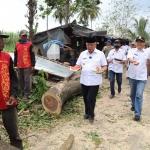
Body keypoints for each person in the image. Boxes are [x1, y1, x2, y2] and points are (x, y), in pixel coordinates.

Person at [76, 37, 107, 123]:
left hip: (95, 80)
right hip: (84, 80)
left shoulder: (100, 54)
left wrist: (102, 70)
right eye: (88, 45)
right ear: (86, 44)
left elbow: (105, 66)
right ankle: (87, 112)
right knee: (85, 98)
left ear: (95, 44)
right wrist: (74, 68)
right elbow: (78, 65)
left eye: (91, 45)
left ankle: (91, 114)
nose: (89, 46)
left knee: (91, 98)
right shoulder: (82, 54)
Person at [0, 31, 23, 149]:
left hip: (8, 101)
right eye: (0, 39)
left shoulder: (7, 57)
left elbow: (13, 78)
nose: (3, 42)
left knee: (14, 135)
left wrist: (13, 95)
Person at [126, 36, 150, 121]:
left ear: (144, 43)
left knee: (139, 94)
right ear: (136, 43)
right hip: (132, 76)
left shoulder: (147, 52)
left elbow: (149, 62)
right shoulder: (131, 50)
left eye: (141, 42)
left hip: (142, 77)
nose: (139, 43)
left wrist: (147, 73)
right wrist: (133, 61)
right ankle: (133, 104)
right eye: (138, 42)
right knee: (132, 94)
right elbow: (130, 58)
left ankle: (137, 114)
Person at [14, 30, 35, 101]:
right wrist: (15, 64)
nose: (24, 37)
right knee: (20, 80)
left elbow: (32, 55)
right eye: (23, 35)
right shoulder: (17, 44)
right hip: (20, 66)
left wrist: (33, 65)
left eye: (26, 35)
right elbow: (15, 55)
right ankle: (23, 93)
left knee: (27, 81)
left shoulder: (30, 44)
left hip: (27, 66)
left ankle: (27, 94)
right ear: (20, 36)